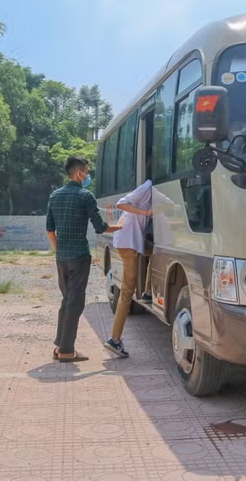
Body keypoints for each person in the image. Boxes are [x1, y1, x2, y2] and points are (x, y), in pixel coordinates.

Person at [46, 156, 121, 363]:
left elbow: (50, 229)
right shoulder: (85, 196)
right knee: (75, 302)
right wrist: (121, 226)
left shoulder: (54, 196)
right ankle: (67, 351)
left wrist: (59, 250)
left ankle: (59, 346)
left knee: (67, 300)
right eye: (86, 172)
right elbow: (101, 227)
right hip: (79, 256)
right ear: (79, 173)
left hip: (61, 257)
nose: (88, 176)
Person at [103, 180, 153, 358]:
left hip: (129, 242)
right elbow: (121, 203)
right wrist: (145, 212)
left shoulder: (151, 191)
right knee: (127, 292)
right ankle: (114, 339)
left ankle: (147, 292)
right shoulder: (147, 187)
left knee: (154, 253)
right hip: (127, 243)